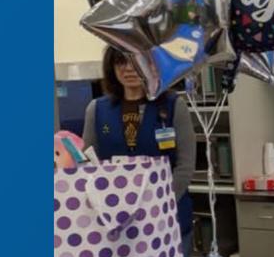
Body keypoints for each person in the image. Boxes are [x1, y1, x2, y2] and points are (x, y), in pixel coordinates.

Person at [82, 46, 197, 242]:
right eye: (121, 62)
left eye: (136, 61)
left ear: (153, 66)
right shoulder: (97, 110)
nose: (129, 68)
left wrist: (155, 203)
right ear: (111, 67)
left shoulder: (173, 106)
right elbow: (88, 165)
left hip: (166, 218)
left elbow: (185, 168)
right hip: (115, 221)